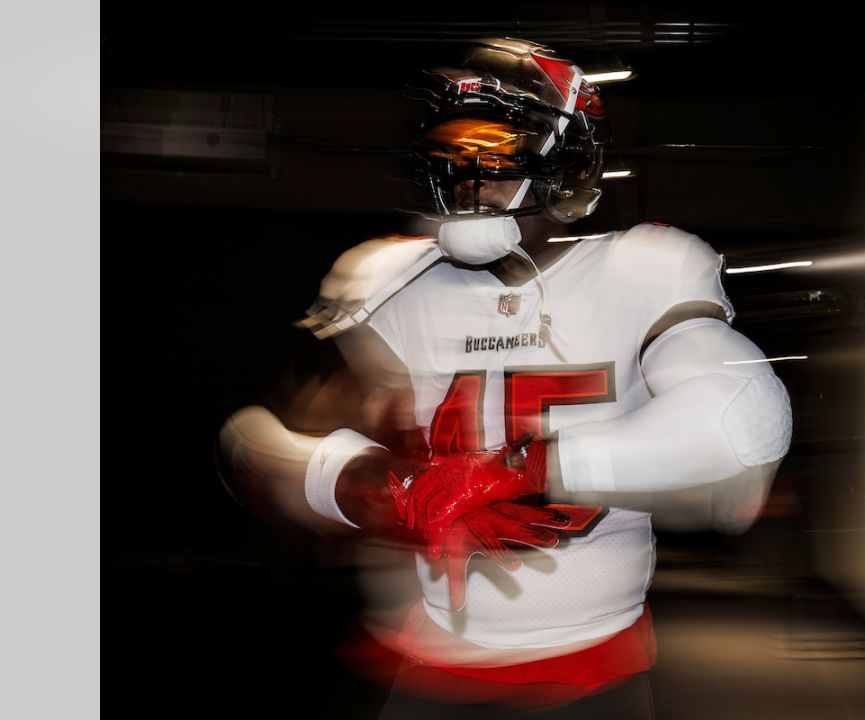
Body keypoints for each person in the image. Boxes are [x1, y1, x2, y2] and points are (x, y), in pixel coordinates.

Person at [218, 38, 792, 718]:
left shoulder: (644, 268)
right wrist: (376, 485)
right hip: (433, 664)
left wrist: (531, 469)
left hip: (593, 665)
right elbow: (253, 443)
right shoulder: (387, 280)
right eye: (450, 145)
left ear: (566, 155)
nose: (464, 171)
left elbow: (744, 418)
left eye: (490, 145)